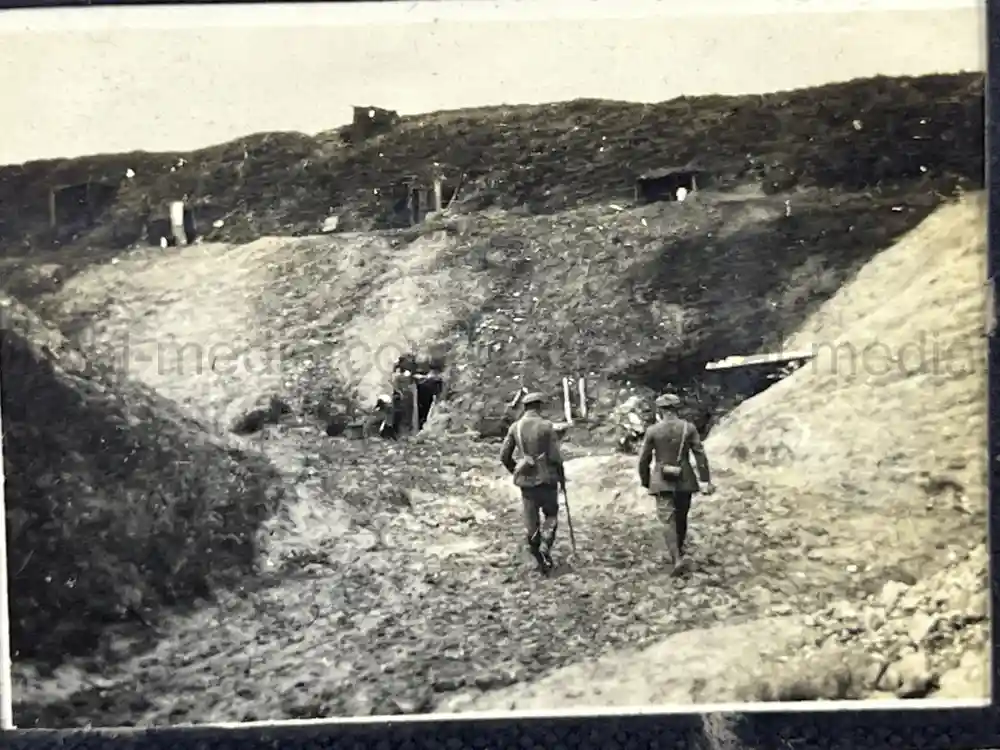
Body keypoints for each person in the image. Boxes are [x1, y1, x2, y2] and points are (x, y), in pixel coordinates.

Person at [637, 393, 715, 574]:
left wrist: (646, 481)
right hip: (684, 479)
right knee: (681, 516)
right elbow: (700, 455)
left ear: (660, 410)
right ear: (677, 409)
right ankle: (679, 548)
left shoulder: (653, 431)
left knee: (667, 519)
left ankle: (676, 558)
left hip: (661, 481)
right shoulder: (688, 428)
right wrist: (705, 479)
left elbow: (644, 459)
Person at [500, 391, 567, 573]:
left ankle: (538, 556)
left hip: (526, 482)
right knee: (551, 515)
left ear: (525, 407)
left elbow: (504, 456)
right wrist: (561, 477)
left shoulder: (515, 427)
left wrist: (517, 469)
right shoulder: (546, 426)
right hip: (547, 479)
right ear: (539, 406)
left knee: (531, 520)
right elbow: (555, 457)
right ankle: (546, 544)